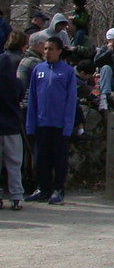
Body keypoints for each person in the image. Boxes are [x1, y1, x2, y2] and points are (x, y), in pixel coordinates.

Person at [25, 37, 77, 204]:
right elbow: (33, 98)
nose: (47, 52)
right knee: (41, 159)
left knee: (59, 159)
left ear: (59, 51)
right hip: (41, 123)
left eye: (51, 49)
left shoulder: (67, 71)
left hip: (59, 124)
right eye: (46, 48)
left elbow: (71, 100)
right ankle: (42, 188)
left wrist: (68, 125)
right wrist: (30, 124)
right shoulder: (38, 69)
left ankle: (58, 189)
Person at [0, 38, 26, 210]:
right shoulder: (16, 83)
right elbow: (20, 96)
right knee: (14, 164)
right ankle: (16, 197)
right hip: (12, 128)